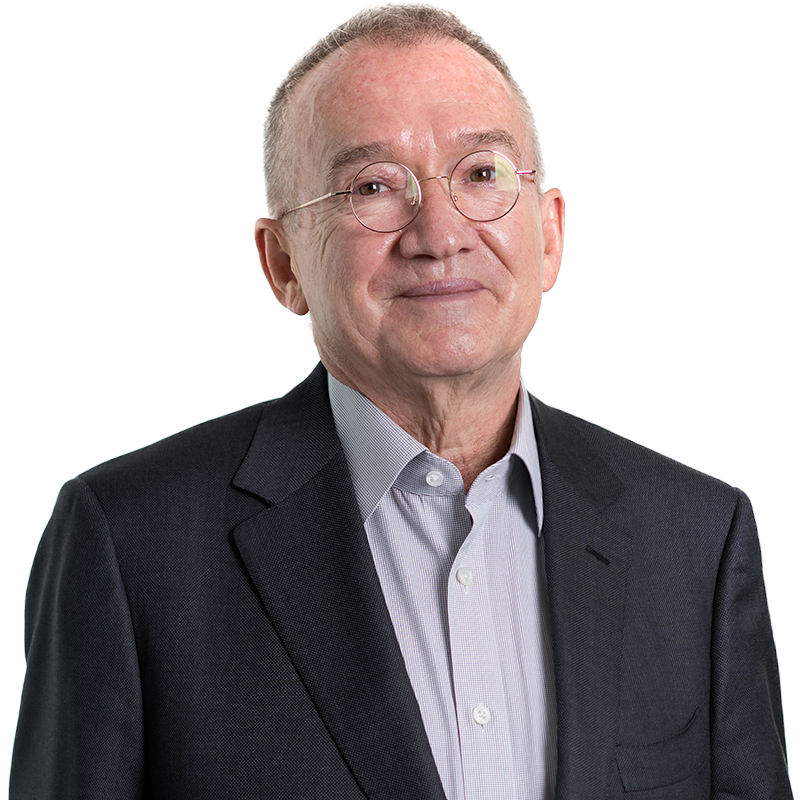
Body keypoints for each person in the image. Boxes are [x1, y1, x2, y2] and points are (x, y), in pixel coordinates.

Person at [10, 2, 791, 798]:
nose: (440, 234)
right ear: (281, 264)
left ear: (551, 235)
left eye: (481, 174)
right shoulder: (129, 542)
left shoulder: (698, 537)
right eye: (374, 186)